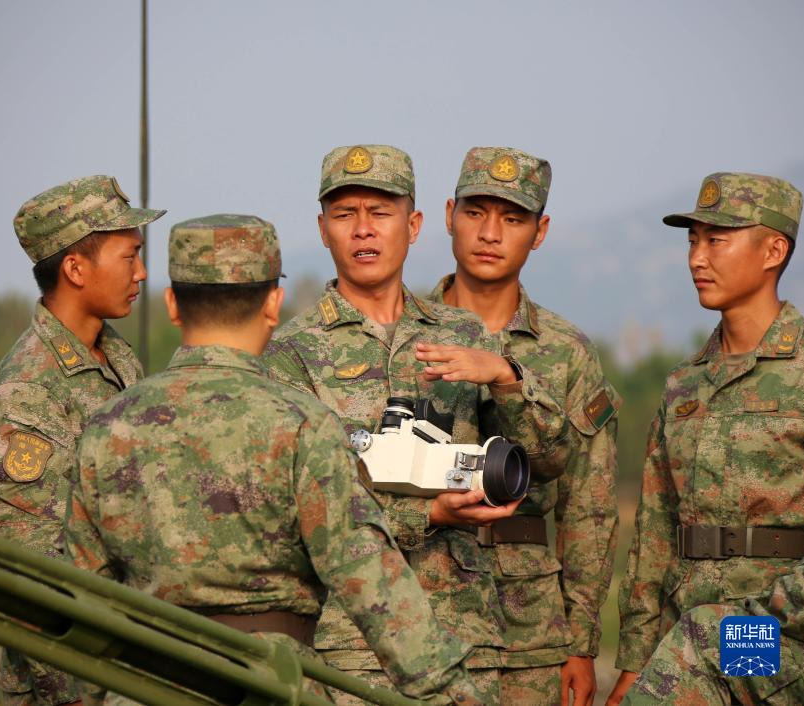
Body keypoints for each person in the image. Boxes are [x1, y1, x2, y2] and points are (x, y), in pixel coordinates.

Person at [65, 213, 486, 705]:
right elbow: (372, 582)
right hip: (268, 685)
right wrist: (456, 697)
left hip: (144, 686)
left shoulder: (107, 426)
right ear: (273, 303)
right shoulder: (303, 424)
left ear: (173, 304)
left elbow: (81, 595)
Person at [263, 144, 569, 704]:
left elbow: (545, 464)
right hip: (350, 645)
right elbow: (295, 504)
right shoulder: (290, 352)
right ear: (323, 230)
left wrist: (505, 378)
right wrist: (427, 514)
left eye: (379, 213)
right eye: (344, 214)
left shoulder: (464, 334)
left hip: (463, 636)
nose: (362, 229)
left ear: (414, 225)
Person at [428, 147, 619, 706]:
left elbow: (589, 506)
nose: (490, 233)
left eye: (513, 219)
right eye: (475, 213)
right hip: (421, 612)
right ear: (449, 216)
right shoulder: (404, 334)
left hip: (529, 629)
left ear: (540, 232)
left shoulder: (568, 352)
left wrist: (581, 644)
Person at [608, 172, 804, 704]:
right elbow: (654, 533)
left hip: (781, 638)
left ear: (773, 251)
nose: (697, 258)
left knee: (703, 650)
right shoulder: (684, 383)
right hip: (687, 634)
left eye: (716, 241)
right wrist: (635, 661)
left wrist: (765, 619)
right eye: (692, 241)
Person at [0, 175, 164, 706]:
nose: (142, 272)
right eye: (130, 256)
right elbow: (32, 575)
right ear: (76, 269)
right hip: (77, 681)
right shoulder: (26, 392)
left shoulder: (117, 358)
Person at [623, 552, 804, 705]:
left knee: (707, 632)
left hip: (789, 628)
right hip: (686, 594)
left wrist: (756, 613)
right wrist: (635, 659)